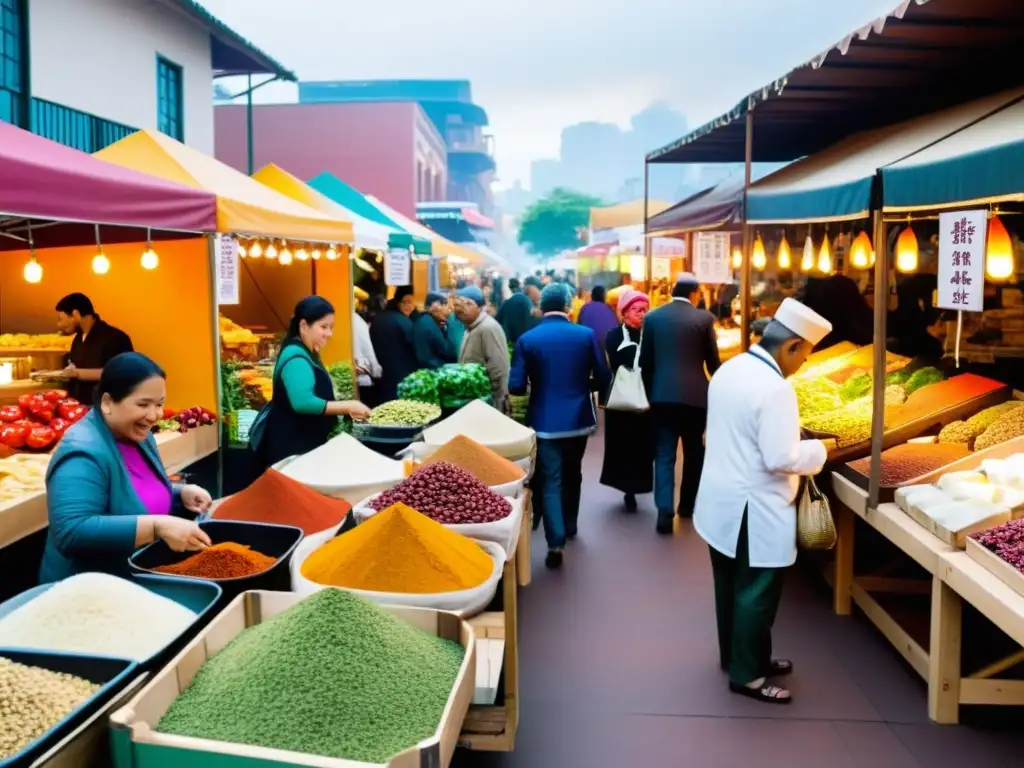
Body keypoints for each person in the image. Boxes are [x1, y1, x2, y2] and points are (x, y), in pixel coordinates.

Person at [694, 298, 831, 705]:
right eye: (804, 355)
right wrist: (820, 451)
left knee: (728, 584)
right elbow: (781, 458)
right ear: (790, 347)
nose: (803, 364)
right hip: (754, 507)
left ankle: (738, 655)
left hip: (719, 501)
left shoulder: (729, 369)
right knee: (757, 591)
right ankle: (748, 675)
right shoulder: (776, 389)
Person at [40, 353, 214, 582]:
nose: (154, 415)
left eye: (159, 404)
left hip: (134, 579)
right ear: (108, 403)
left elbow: (131, 491)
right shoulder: (82, 451)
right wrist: (156, 527)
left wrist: (179, 493)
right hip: (87, 591)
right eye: (143, 404)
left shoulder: (139, 435)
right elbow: (72, 531)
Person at [510, 284, 610, 569]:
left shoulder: (528, 339)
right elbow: (603, 376)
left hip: (544, 420)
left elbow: (516, 386)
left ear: (541, 306)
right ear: (569, 306)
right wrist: (582, 385)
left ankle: (555, 541)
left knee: (550, 478)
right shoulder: (585, 335)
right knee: (573, 472)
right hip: (579, 418)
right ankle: (570, 524)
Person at [639, 272, 721, 535]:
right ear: (695, 294)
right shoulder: (704, 318)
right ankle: (687, 506)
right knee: (694, 451)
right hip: (697, 397)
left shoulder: (652, 318)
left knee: (664, 454)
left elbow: (645, 363)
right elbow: (712, 361)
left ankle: (664, 510)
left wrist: (650, 394)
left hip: (662, 397)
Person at [257, 297, 370, 467]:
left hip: (302, 447)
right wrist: (349, 406)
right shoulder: (296, 357)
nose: (329, 334)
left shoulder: (305, 351)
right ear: (303, 326)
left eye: (331, 328)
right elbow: (303, 402)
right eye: (323, 327)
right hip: (291, 451)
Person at [600, 289, 654, 512]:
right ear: (624, 312)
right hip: (621, 401)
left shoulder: (652, 335)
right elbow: (619, 361)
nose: (641, 314)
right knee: (622, 446)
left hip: (645, 399)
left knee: (643, 446)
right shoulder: (613, 335)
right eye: (636, 310)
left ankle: (638, 486)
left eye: (644, 310)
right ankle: (627, 489)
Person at [55, 293, 134, 406]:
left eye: (61, 319)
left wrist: (77, 373)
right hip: (80, 410)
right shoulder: (77, 339)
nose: (60, 325)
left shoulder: (115, 337)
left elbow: (122, 373)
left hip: (108, 409)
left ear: (76, 314)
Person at [454, 285, 510, 411]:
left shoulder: (488, 328)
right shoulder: (470, 327)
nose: (463, 308)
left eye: (469, 303)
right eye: (460, 304)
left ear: (480, 307)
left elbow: (499, 368)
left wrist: (497, 402)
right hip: (472, 398)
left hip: (486, 400)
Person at [369, 286, 418, 402]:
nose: (408, 306)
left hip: (382, 378)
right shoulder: (404, 322)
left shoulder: (379, 317)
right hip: (401, 378)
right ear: (397, 302)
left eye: (411, 302)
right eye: (404, 302)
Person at [414, 293, 457, 370]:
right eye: (447, 306)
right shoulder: (429, 323)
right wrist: (448, 326)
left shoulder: (425, 319)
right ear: (437, 307)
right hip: (433, 368)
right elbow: (447, 350)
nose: (449, 311)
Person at [576, 285, 619, 357]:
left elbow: (579, 328)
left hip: (590, 347)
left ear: (592, 296)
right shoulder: (609, 308)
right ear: (604, 297)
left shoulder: (585, 308)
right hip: (610, 347)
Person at [497, 276, 542, 344]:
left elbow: (498, 320)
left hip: (510, 341)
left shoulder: (508, 302)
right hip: (529, 341)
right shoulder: (532, 306)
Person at [353, 310, 382, 407]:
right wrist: (376, 373)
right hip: (362, 380)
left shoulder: (352, 320)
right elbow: (368, 350)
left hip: (357, 379)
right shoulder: (357, 322)